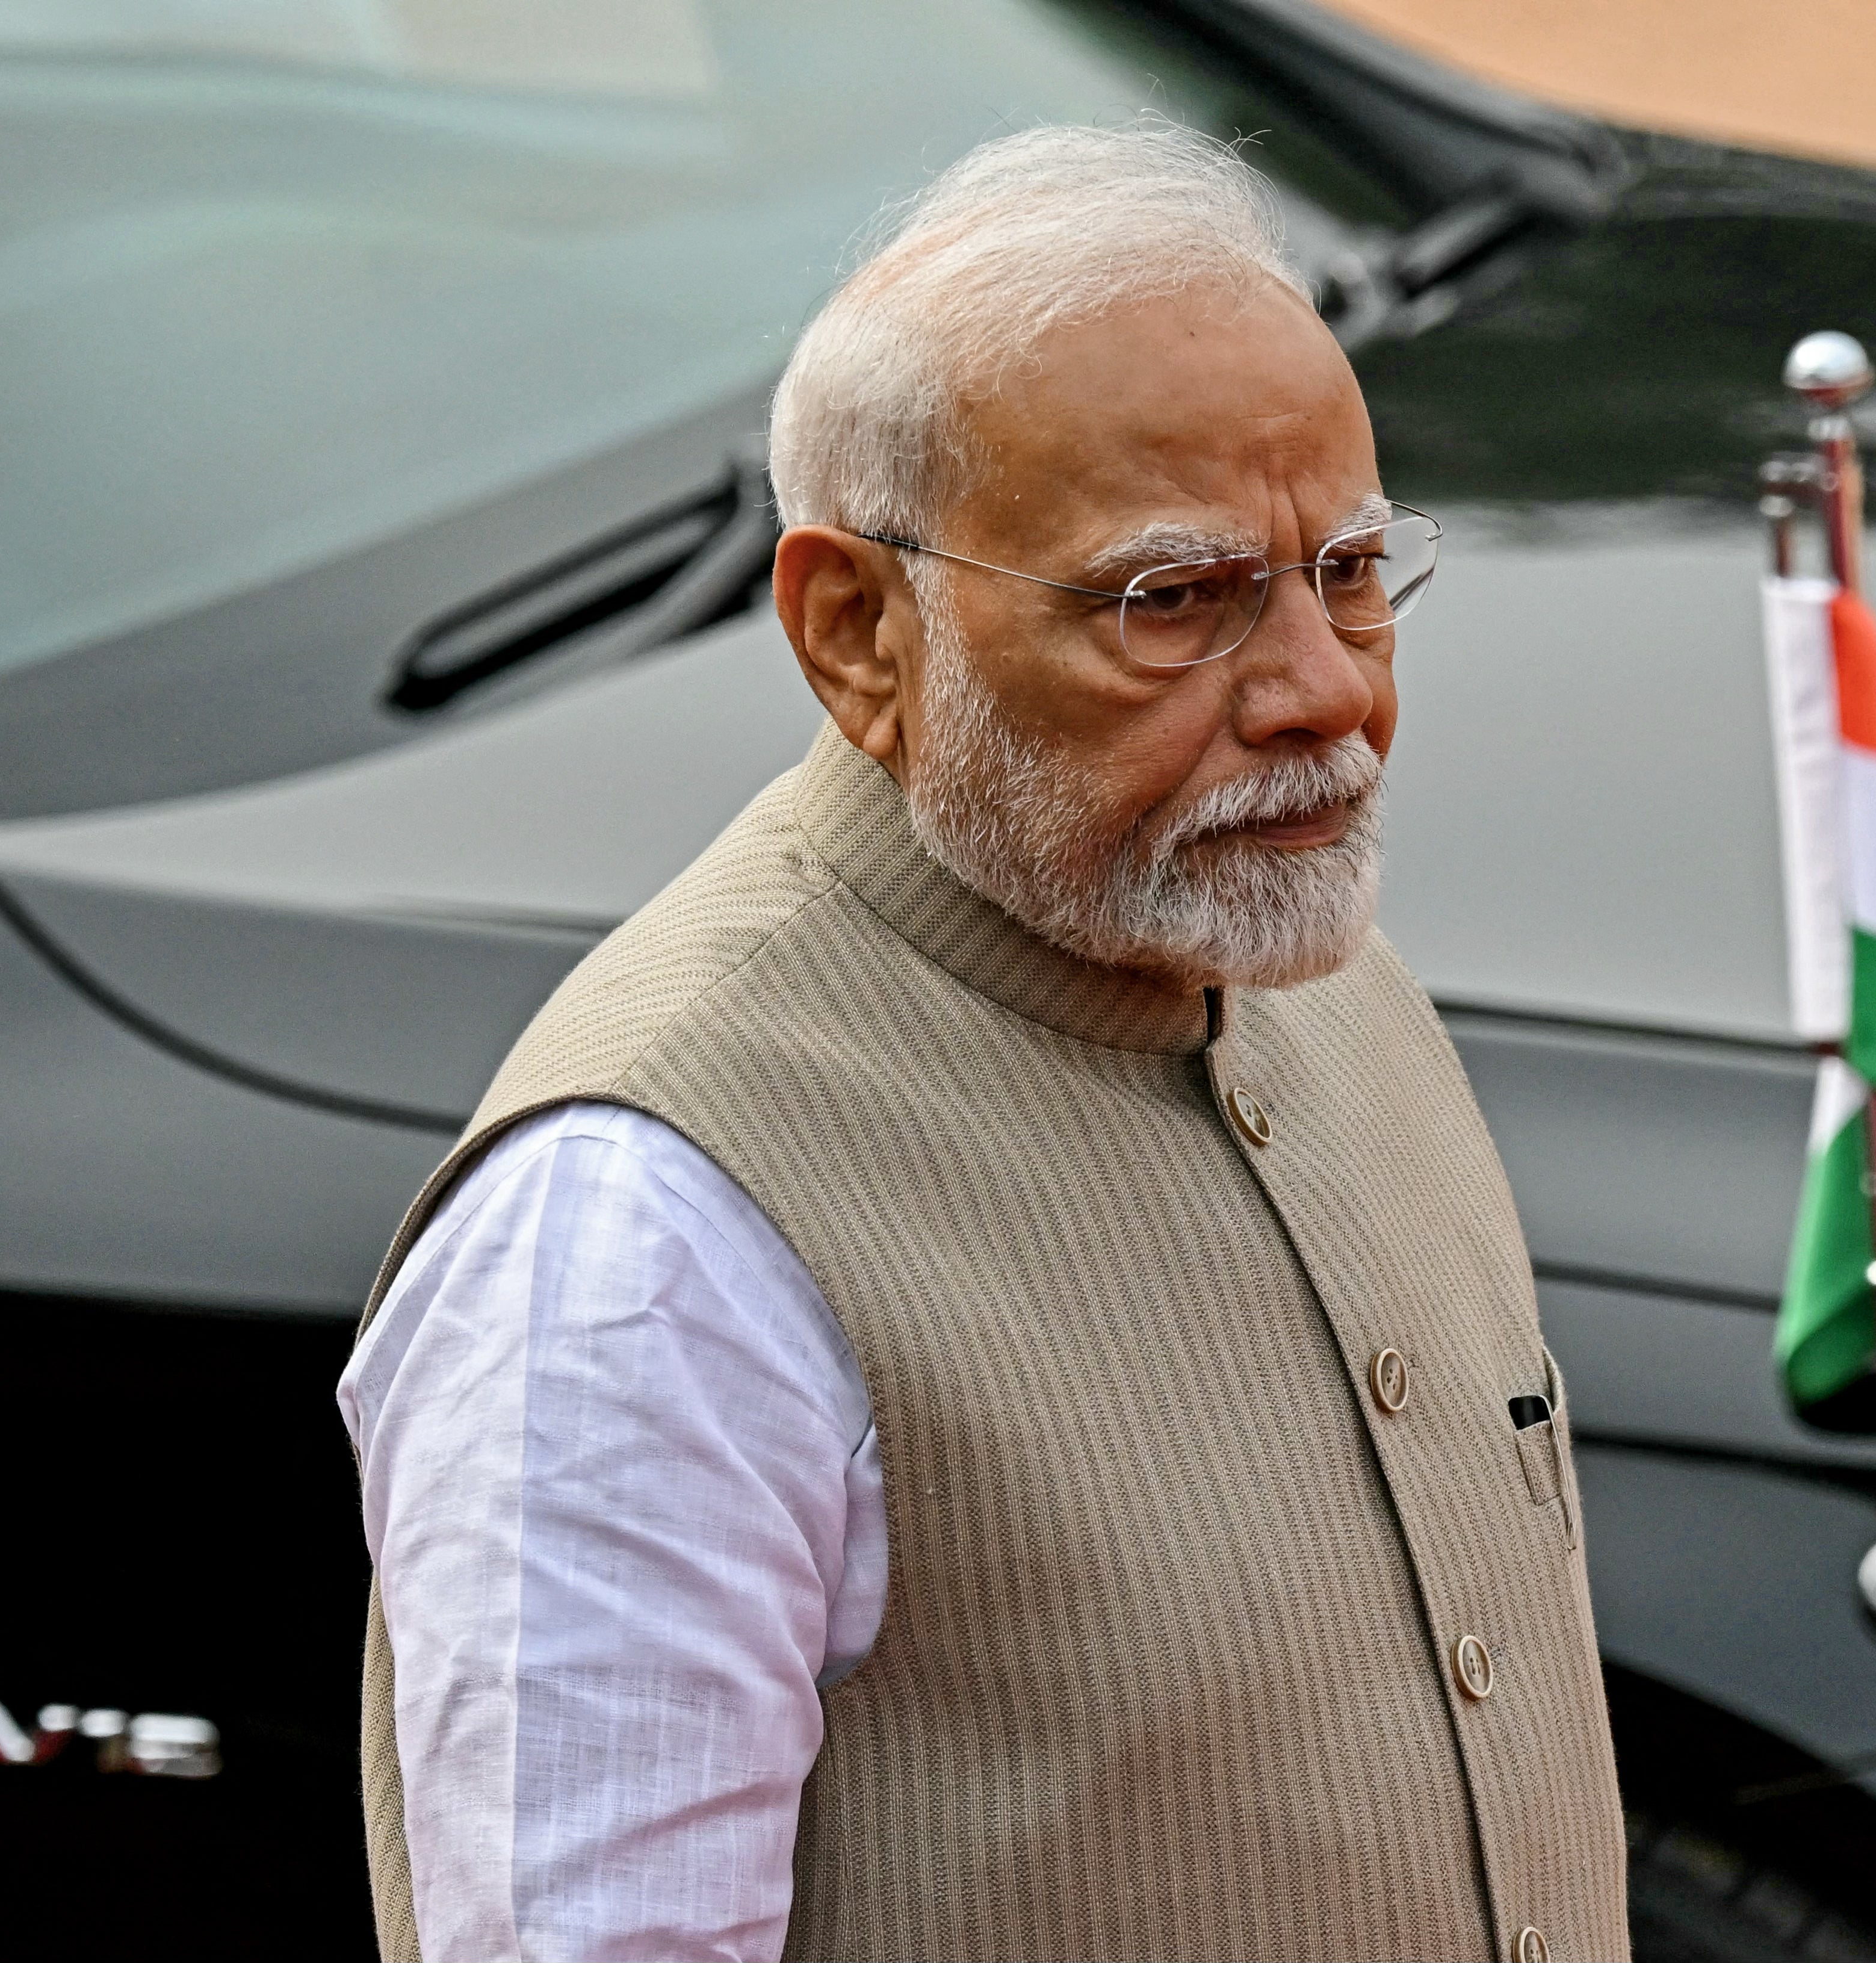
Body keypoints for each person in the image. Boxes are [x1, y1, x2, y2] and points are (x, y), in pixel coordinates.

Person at [338, 120, 1628, 1963]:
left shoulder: (1304, 957)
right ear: (857, 632)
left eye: (1346, 569)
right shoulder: (636, 1243)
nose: (1325, 690)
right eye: (1172, 601)